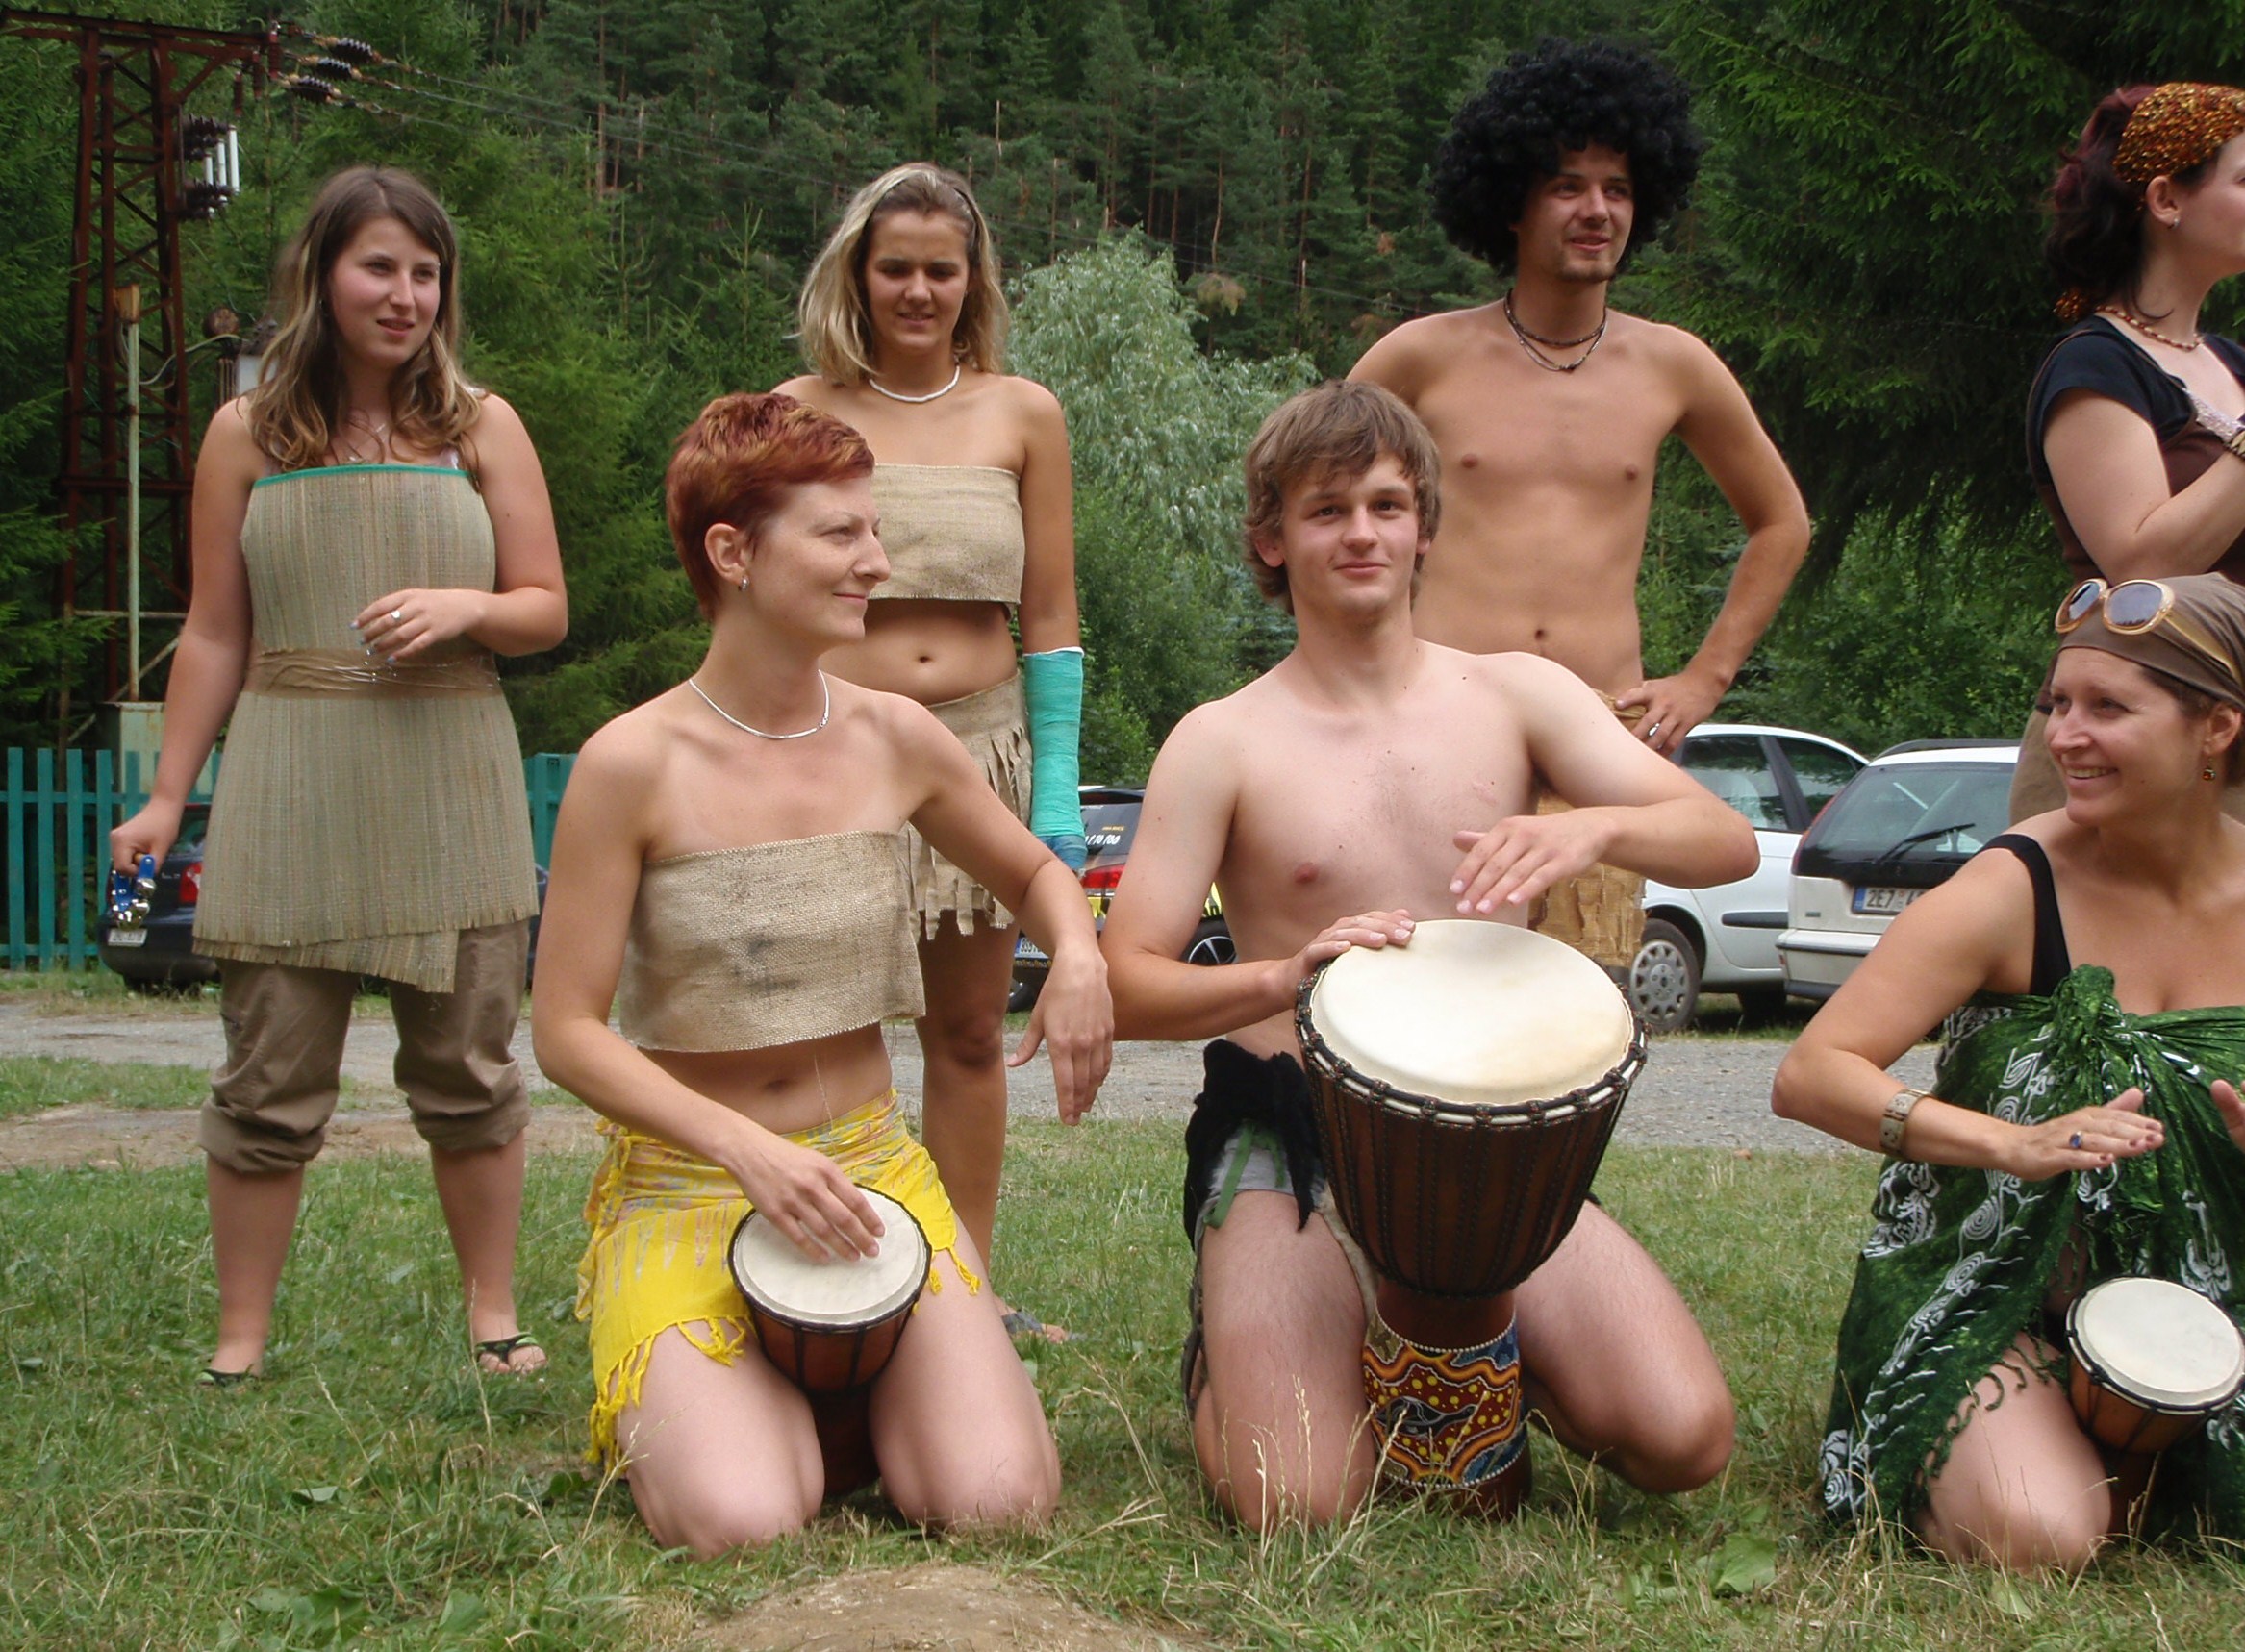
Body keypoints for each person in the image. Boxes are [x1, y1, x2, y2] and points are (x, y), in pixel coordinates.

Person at [1098, 380, 1757, 1530]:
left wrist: (1593, 827)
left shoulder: (1518, 694)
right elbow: (1126, 981)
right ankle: (1233, 1362)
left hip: (1491, 1145)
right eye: (1326, 509)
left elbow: (1726, 840)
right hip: (1290, 1128)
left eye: (1388, 505)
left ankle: (1445, 1357)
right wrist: (1280, 977)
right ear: (1272, 539)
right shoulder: (1221, 739)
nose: (1362, 532)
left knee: (1683, 1435)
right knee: (1300, 1502)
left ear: (1425, 528)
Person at [531, 391, 1108, 1556]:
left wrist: (1081, 950)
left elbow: (1036, 870)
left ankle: (836, 1392)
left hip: (870, 1175)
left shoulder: (897, 734)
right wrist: (744, 1147)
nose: (879, 563)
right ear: (732, 553)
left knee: (1000, 1498)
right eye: (841, 534)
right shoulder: (630, 763)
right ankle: (757, 1400)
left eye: (874, 529)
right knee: (743, 1519)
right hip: (692, 1183)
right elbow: (565, 1031)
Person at [108, 166, 567, 1384]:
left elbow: (544, 606)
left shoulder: (484, 425)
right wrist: (167, 795)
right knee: (268, 1072)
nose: (405, 294)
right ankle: (241, 1337)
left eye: (426, 272)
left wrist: (470, 605)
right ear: (321, 274)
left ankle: (494, 1317)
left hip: (450, 770)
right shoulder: (244, 433)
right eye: (379, 267)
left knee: (469, 1064)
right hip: (289, 772)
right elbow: (215, 630)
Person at [1775, 573, 2245, 1570]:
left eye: (2108, 707)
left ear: (2216, 728)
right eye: (2057, 704)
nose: (2066, 735)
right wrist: (2011, 1143)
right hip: (1999, 1300)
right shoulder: (2013, 885)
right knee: (2040, 1530)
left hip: (2218, 1300)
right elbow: (1814, 1072)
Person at [1350, 38, 1808, 971]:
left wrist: (1704, 680)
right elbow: (1307, 507)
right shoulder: (1420, 357)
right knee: (1424, 985)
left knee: (1579, 1007)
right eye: (1567, 185)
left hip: (1601, 733)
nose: (1597, 209)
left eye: (1618, 188)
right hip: (1441, 715)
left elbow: (1782, 522)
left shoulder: (1674, 365)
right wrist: (1349, 679)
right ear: (1511, 201)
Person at [775, 164, 1085, 1332]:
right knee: (823, 1030)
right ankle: (824, 1282)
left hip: (980, 756)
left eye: (939, 269)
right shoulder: (797, 407)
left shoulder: (1024, 413)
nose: (917, 289)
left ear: (973, 281)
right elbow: (760, 593)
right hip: (833, 752)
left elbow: (1050, 616)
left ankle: (964, 1289)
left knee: (964, 1034)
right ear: (858, 274)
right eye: (894, 266)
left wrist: (1057, 794)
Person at [2015, 83, 2245, 820]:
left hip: (2225, 728)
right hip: (2127, 751)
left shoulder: (2233, 363)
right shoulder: (2095, 363)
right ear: (2166, 200)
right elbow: (2144, 568)